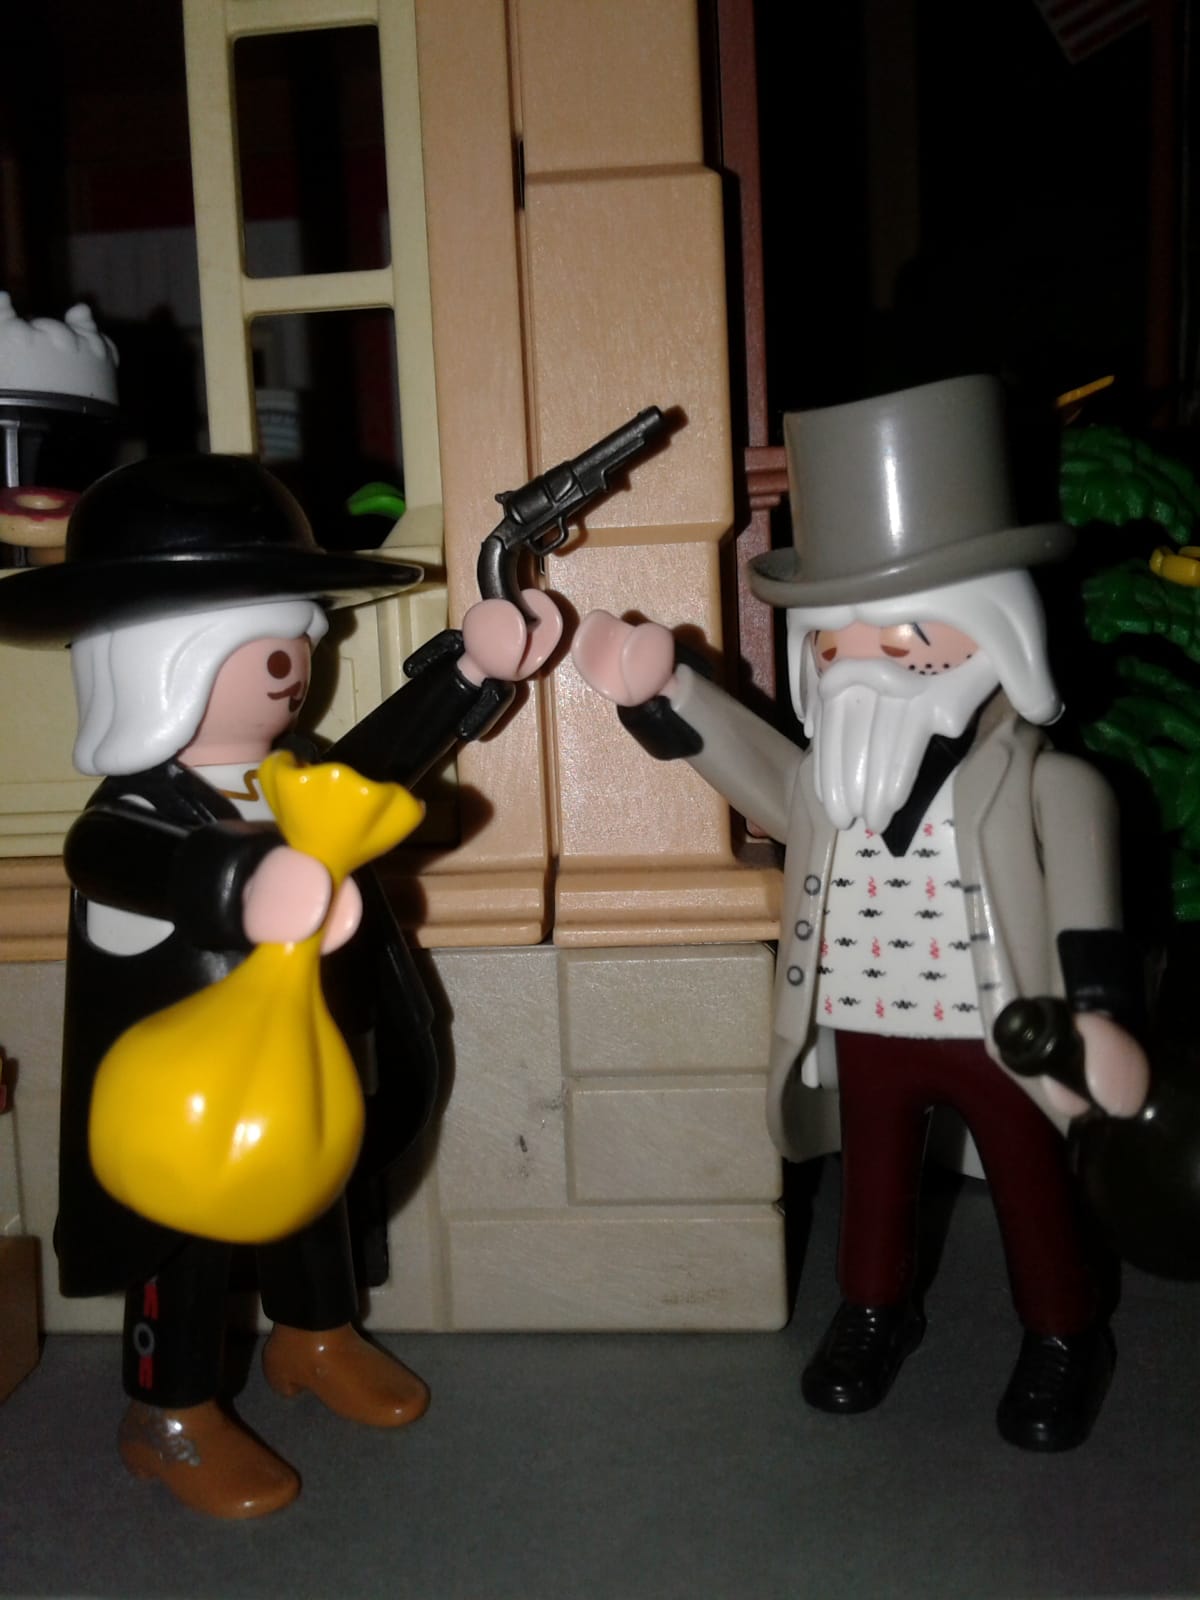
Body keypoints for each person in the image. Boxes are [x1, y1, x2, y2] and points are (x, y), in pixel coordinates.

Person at [571, 376, 1149, 1452]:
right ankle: (873, 1312)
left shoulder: (1048, 783)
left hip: (1006, 1029)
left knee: (1030, 1184)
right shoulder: (832, 782)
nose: (864, 667)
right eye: (835, 646)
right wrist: (669, 694)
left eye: (907, 638)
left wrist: (1102, 1018)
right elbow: (761, 774)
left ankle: (1065, 1332)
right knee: (872, 1182)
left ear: (997, 634)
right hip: (865, 1020)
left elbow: (1087, 912)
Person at [0, 452, 561, 1516]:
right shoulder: (132, 812)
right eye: (260, 646)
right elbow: (124, 861)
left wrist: (469, 674)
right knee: (180, 1241)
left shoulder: (287, 775)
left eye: (295, 641)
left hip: (299, 1066)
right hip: (178, 1106)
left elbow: (374, 770)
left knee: (316, 1202)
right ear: (160, 663)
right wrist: (246, 882)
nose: (292, 667)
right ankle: (167, 1411)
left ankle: (315, 1335)